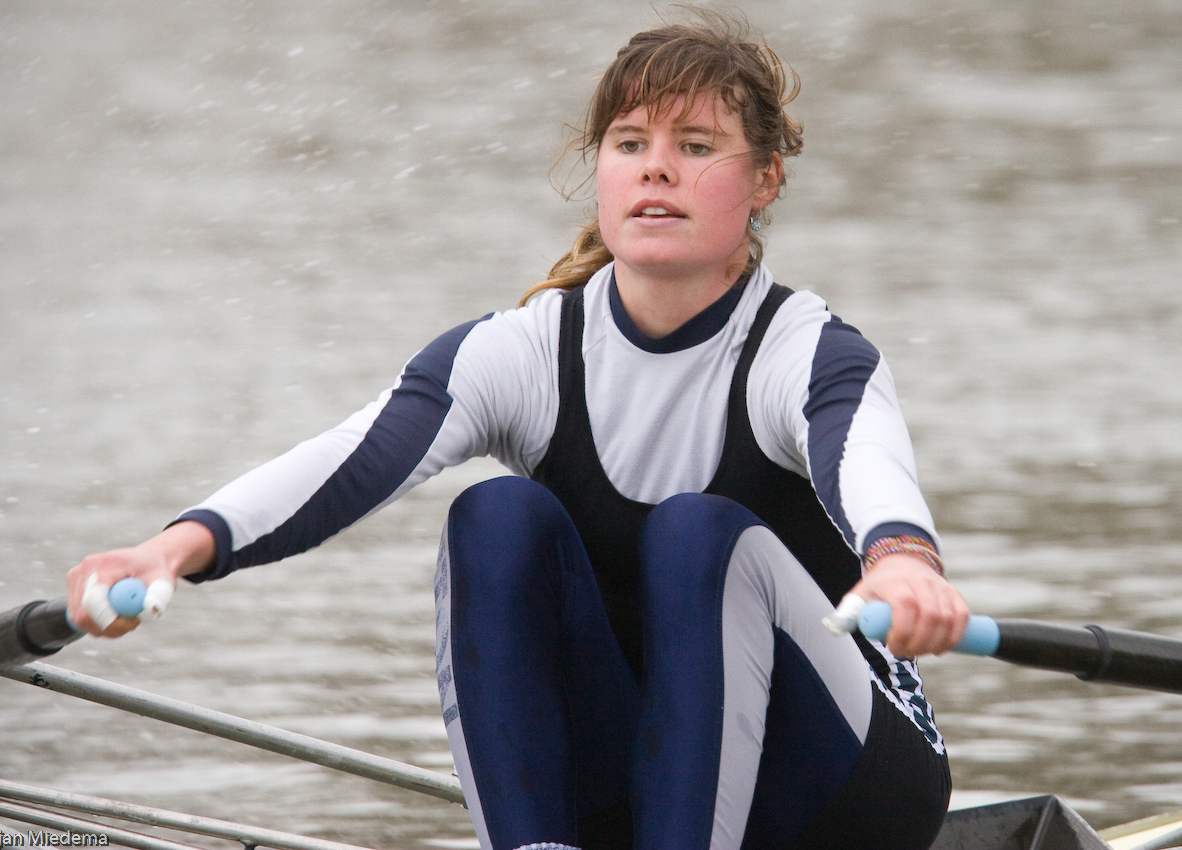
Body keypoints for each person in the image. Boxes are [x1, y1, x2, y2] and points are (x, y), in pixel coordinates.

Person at [67, 9, 969, 850]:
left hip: (839, 790)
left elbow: (866, 460)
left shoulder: (803, 349)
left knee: (698, 532)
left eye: (695, 146)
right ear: (600, 169)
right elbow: (351, 458)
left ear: (764, 178)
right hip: (639, 773)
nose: (655, 169)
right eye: (630, 144)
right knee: (494, 515)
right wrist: (169, 550)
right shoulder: (529, 350)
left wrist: (901, 559)